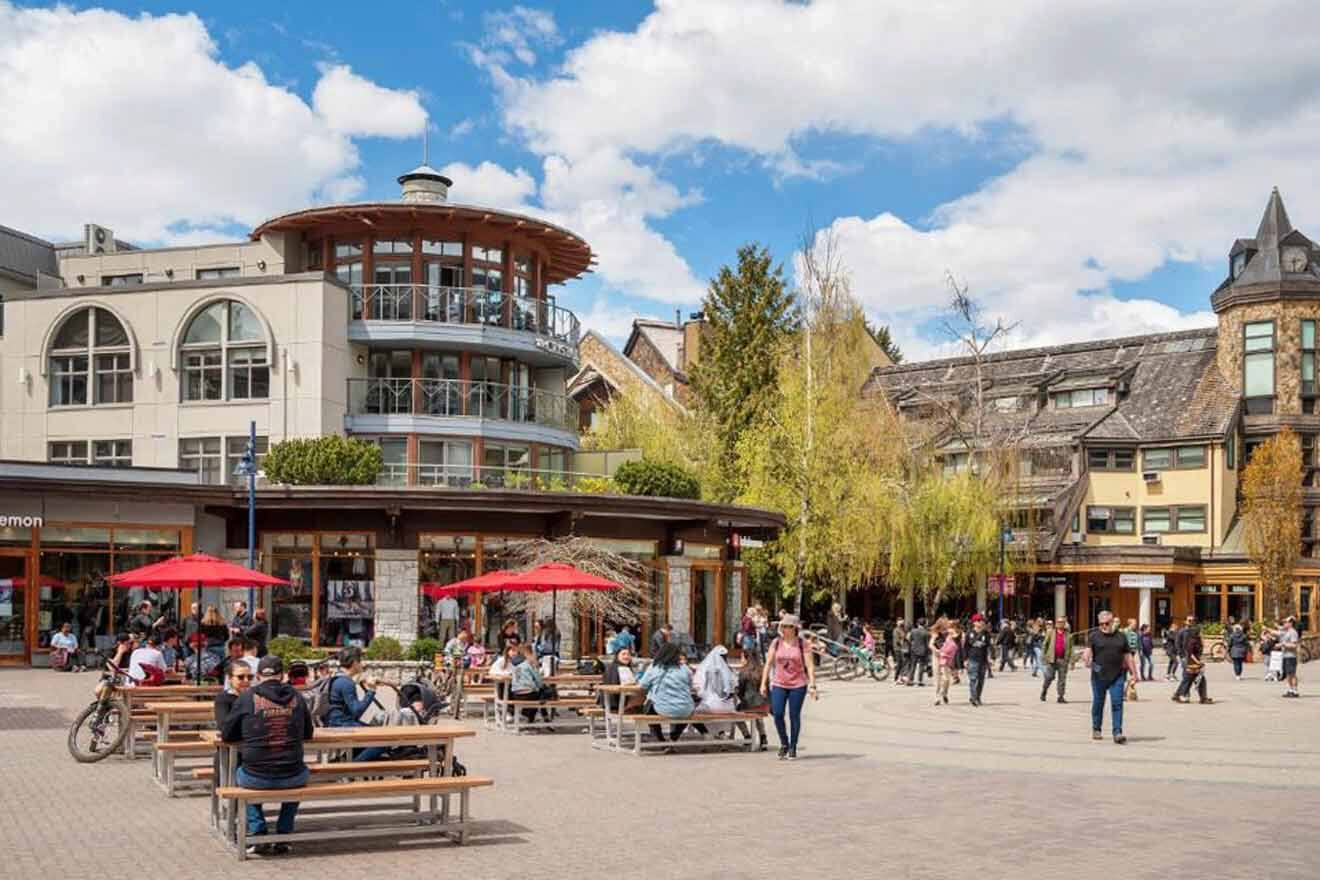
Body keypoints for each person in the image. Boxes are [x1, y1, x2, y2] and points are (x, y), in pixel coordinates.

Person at [220, 655, 313, 855]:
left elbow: (227, 734)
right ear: (283, 675)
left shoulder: (246, 697)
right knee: (298, 775)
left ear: (259, 676)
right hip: (293, 775)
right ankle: (284, 835)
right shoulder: (297, 697)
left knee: (239, 773)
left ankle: (259, 831)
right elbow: (308, 733)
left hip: (256, 776)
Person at [759, 613, 817, 760]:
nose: (785, 629)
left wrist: (813, 686)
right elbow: (768, 663)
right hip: (779, 683)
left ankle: (793, 746)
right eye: (783, 626)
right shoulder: (776, 643)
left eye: (789, 626)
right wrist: (763, 683)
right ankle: (784, 742)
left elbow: (810, 666)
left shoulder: (802, 644)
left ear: (795, 628)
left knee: (794, 716)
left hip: (798, 684)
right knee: (777, 714)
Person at [1081, 610, 1135, 743]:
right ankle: (1096, 728)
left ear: (1112, 622)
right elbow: (1087, 653)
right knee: (1098, 703)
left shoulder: (1121, 637)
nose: (1104, 626)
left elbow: (1127, 656)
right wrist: (1087, 659)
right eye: (1101, 624)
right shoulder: (1094, 636)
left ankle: (1117, 732)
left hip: (1117, 676)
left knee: (1117, 703)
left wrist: (1134, 673)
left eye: (1106, 623)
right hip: (1099, 676)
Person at [326, 646, 387, 761]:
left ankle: (345, 760)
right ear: (354, 663)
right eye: (360, 661)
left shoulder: (337, 678)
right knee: (382, 741)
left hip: (335, 722)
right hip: (342, 726)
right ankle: (350, 769)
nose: (362, 664)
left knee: (375, 734)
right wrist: (371, 691)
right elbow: (357, 710)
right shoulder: (347, 683)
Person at [637, 642, 696, 745]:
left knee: (648, 708)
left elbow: (642, 685)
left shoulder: (654, 667)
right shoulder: (685, 668)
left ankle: (660, 740)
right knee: (685, 710)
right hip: (686, 709)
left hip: (663, 708)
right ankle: (674, 738)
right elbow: (691, 686)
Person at [734, 651, 769, 749]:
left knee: (735, 714)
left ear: (747, 659)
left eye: (742, 658)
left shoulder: (743, 672)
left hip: (749, 703)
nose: (741, 660)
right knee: (758, 716)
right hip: (762, 704)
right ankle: (763, 737)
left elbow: (740, 691)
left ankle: (747, 736)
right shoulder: (762, 671)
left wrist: (738, 694)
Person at [510, 643, 553, 724]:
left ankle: (534, 717)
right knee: (543, 694)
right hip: (527, 694)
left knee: (539, 696)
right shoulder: (530, 664)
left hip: (515, 694)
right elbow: (538, 680)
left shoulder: (516, 663)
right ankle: (535, 717)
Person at [1172, 624, 1213, 704]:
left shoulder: (1196, 640)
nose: (1202, 633)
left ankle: (1202, 698)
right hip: (1191, 663)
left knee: (1192, 680)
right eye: (1200, 632)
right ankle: (1202, 698)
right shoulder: (1192, 641)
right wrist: (1198, 662)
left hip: (1194, 663)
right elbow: (1190, 654)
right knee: (1191, 680)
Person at [694, 645, 738, 715]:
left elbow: (699, 690)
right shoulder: (730, 671)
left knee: (693, 712)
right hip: (729, 707)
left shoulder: (705, 669)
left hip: (711, 706)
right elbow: (733, 690)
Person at [214, 658, 254, 727]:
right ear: (230, 678)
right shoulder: (223, 698)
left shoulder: (255, 696)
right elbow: (223, 725)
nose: (246, 680)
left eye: (250, 677)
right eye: (240, 677)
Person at [1040, 617, 1071, 702]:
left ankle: (1060, 696)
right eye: (1058, 622)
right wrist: (1044, 657)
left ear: (1064, 624)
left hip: (1063, 659)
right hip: (1052, 659)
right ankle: (1044, 690)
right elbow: (1045, 645)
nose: (1059, 623)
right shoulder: (1051, 633)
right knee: (1049, 677)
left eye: (1061, 622)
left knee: (1062, 679)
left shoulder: (1068, 635)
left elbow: (1070, 648)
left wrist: (1071, 661)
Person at [963, 614, 992, 706]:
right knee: (973, 679)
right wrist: (965, 659)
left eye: (982, 621)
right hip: (972, 659)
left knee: (981, 680)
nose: (981, 622)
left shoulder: (986, 634)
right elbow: (965, 647)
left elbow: (989, 647)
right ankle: (973, 697)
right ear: (974, 622)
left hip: (983, 660)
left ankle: (977, 697)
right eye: (979, 620)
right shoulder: (969, 633)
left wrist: (990, 659)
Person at [934, 622, 958, 706]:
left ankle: (944, 693)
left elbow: (957, 636)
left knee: (947, 680)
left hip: (949, 661)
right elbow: (931, 645)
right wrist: (937, 651)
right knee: (942, 679)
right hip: (940, 659)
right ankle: (937, 696)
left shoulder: (950, 638)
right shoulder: (937, 635)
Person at [1277, 617, 1301, 698]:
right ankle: (1290, 690)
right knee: (1288, 674)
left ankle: (1295, 691)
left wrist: (1283, 644)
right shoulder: (1287, 632)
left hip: (1291, 656)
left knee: (1292, 674)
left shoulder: (1293, 632)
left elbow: (1294, 645)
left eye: (1286, 622)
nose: (1284, 624)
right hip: (1285, 655)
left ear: (1290, 623)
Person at [907, 618, 929, 686]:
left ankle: (910, 680)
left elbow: (909, 639)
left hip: (914, 650)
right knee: (921, 665)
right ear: (924, 624)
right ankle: (920, 680)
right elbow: (927, 643)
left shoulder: (913, 631)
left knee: (913, 665)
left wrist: (912, 644)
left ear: (918, 623)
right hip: (923, 650)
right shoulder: (926, 632)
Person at [891, 620, 910, 686]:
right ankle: (896, 678)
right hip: (898, 649)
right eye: (902, 623)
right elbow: (897, 640)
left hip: (901, 648)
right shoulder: (896, 630)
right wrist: (903, 643)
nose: (903, 624)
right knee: (900, 663)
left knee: (902, 663)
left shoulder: (902, 630)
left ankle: (900, 677)